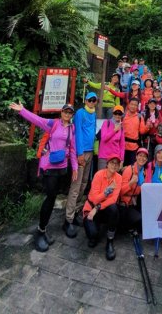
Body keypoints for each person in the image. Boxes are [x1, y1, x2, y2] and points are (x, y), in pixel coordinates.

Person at [9, 101, 78, 252]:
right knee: (49, 198)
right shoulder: (53, 124)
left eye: (70, 112)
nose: (67, 114)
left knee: (52, 198)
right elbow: (37, 120)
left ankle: (43, 229)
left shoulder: (72, 128)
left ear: (72, 115)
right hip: (49, 166)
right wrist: (22, 110)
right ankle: (40, 232)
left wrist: (75, 168)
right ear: (61, 112)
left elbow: (72, 149)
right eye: (65, 111)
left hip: (62, 168)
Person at [64, 92, 97, 238]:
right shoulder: (80, 113)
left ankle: (76, 211)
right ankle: (68, 219)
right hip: (82, 152)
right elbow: (77, 133)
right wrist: (80, 153)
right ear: (85, 100)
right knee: (76, 185)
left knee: (84, 183)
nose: (91, 102)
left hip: (91, 151)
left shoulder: (94, 113)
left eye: (94, 100)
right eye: (90, 100)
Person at [83, 154, 123, 260]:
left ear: (119, 166)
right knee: (92, 235)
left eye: (117, 163)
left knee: (114, 208)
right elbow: (94, 199)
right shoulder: (98, 175)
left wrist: (97, 208)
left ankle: (110, 241)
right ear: (107, 164)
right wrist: (107, 191)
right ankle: (95, 230)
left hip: (101, 209)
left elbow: (113, 199)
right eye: (112, 162)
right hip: (90, 208)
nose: (114, 165)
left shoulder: (119, 178)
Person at [118, 147, 149, 232]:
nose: (142, 158)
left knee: (144, 222)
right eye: (140, 155)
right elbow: (120, 192)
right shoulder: (129, 170)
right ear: (136, 157)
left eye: (144, 157)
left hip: (134, 203)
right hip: (125, 204)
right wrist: (131, 183)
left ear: (146, 159)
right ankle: (125, 225)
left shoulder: (144, 172)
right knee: (139, 220)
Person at [97, 105, 125, 170]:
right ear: (113, 114)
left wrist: (122, 159)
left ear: (122, 115)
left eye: (119, 114)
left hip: (115, 157)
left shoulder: (121, 127)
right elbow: (104, 138)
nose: (117, 115)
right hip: (104, 157)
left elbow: (122, 145)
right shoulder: (106, 123)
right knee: (102, 177)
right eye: (116, 113)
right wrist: (114, 130)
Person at [123, 97, 143, 165]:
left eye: (135, 105)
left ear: (137, 106)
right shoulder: (123, 115)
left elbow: (142, 131)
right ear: (128, 105)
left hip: (134, 147)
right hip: (122, 146)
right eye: (132, 104)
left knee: (132, 168)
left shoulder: (140, 117)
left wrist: (148, 127)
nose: (133, 106)